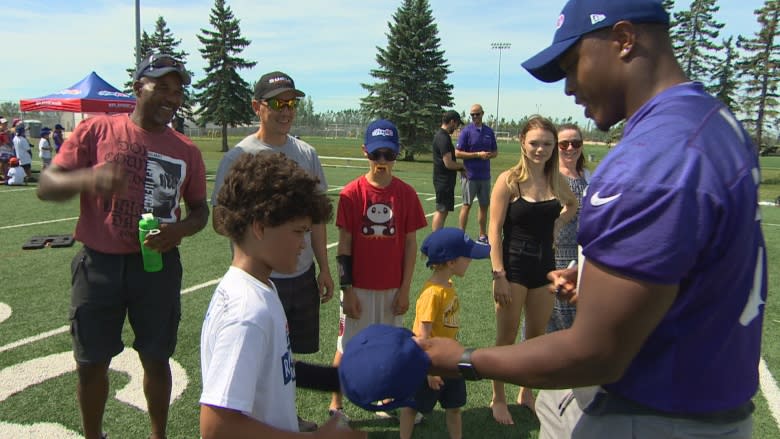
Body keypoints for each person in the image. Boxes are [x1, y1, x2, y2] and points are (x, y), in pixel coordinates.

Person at [418, 1, 765, 438]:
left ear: (623, 40)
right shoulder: (712, 121)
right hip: (706, 405)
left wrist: (462, 358)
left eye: (571, 64)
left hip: (650, 412)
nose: (568, 88)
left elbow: (594, 353)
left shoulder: (653, 155)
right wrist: (603, 279)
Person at [37, 52, 209, 439]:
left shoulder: (187, 150)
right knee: (90, 362)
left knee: (156, 356)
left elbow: (201, 212)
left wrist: (176, 232)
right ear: (137, 87)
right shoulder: (96, 130)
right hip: (98, 266)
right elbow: (47, 186)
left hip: (157, 268)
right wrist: (88, 180)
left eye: (177, 90)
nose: (170, 96)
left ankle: (157, 435)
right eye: (160, 86)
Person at [201, 152, 365, 439]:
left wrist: (344, 379)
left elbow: (276, 367)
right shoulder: (247, 312)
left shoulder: (260, 287)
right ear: (260, 227)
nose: (304, 245)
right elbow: (217, 426)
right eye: (298, 232)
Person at [210, 70, 332, 432]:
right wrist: (257, 238)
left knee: (284, 354)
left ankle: (283, 416)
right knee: (254, 352)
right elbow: (221, 218)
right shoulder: (238, 156)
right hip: (260, 280)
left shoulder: (306, 154)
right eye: (279, 102)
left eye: (292, 103)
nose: (287, 110)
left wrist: (324, 268)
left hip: (300, 273)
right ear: (257, 107)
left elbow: (320, 219)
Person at [328, 119, 427, 420]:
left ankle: (387, 399)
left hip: (392, 288)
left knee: (391, 348)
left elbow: (411, 245)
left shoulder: (406, 195)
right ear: (365, 153)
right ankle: (336, 405)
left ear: (396, 154)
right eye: (376, 154)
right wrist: (348, 289)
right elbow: (344, 246)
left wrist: (405, 288)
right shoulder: (351, 193)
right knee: (347, 347)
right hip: (358, 287)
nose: (382, 161)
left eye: (388, 154)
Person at [487, 115, 577, 424]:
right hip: (513, 268)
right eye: (535, 143)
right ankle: (497, 398)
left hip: (545, 268)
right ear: (523, 144)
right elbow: (493, 230)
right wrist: (498, 274)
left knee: (536, 337)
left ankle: (525, 392)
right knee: (506, 339)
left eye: (547, 144)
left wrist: (556, 224)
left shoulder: (556, 180)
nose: (541, 149)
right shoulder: (509, 180)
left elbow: (572, 205)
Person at [399, 227, 490, 439]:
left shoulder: (447, 285)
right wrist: (430, 371)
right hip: (428, 363)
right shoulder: (432, 294)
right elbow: (422, 337)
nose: (470, 260)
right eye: (467, 257)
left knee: (454, 406)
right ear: (450, 262)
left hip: (450, 359)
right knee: (412, 407)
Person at [547, 123, 590, 333]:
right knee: (550, 322)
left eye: (576, 143)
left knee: (580, 324)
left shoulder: (589, 177)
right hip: (556, 259)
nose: (571, 148)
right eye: (564, 144)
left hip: (584, 259)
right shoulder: (549, 178)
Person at [455, 103, 498, 243]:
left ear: (482, 113)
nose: (475, 117)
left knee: (484, 206)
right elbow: (458, 153)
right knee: (466, 205)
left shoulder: (489, 132)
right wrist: (477, 155)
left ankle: (482, 235)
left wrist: (488, 155)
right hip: (470, 176)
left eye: (477, 114)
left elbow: (495, 152)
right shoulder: (466, 131)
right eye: (472, 114)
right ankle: (461, 235)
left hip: (485, 176)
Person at [431, 110, 465, 231]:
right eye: (456, 124)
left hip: (444, 181)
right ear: (452, 122)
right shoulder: (443, 138)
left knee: (443, 211)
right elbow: (449, 163)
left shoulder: (442, 136)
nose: (456, 128)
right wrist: (462, 167)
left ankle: (437, 238)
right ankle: (436, 239)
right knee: (441, 211)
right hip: (443, 181)